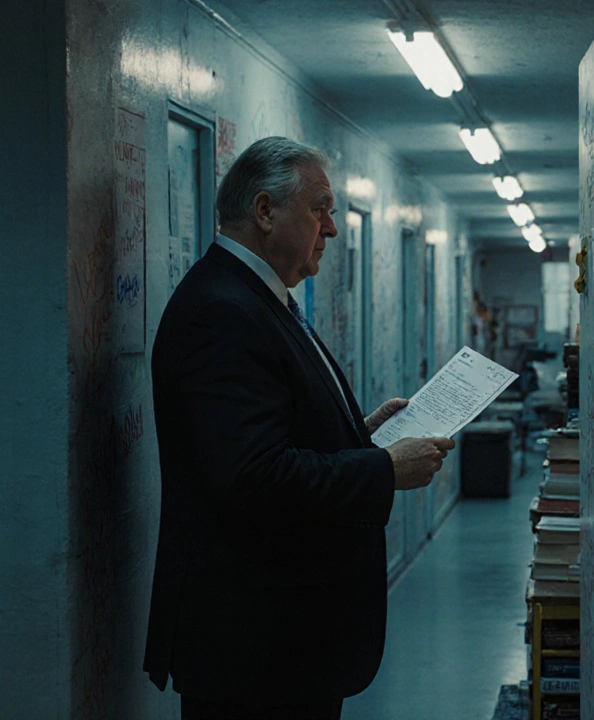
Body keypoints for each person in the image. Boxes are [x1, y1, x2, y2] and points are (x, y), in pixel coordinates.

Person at [144, 136, 454, 720]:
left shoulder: (257, 300)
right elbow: (253, 479)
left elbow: (265, 439)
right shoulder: (223, 312)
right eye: (320, 208)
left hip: (282, 643)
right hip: (255, 650)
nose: (332, 229)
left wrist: (357, 434)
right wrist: (383, 467)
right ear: (265, 212)